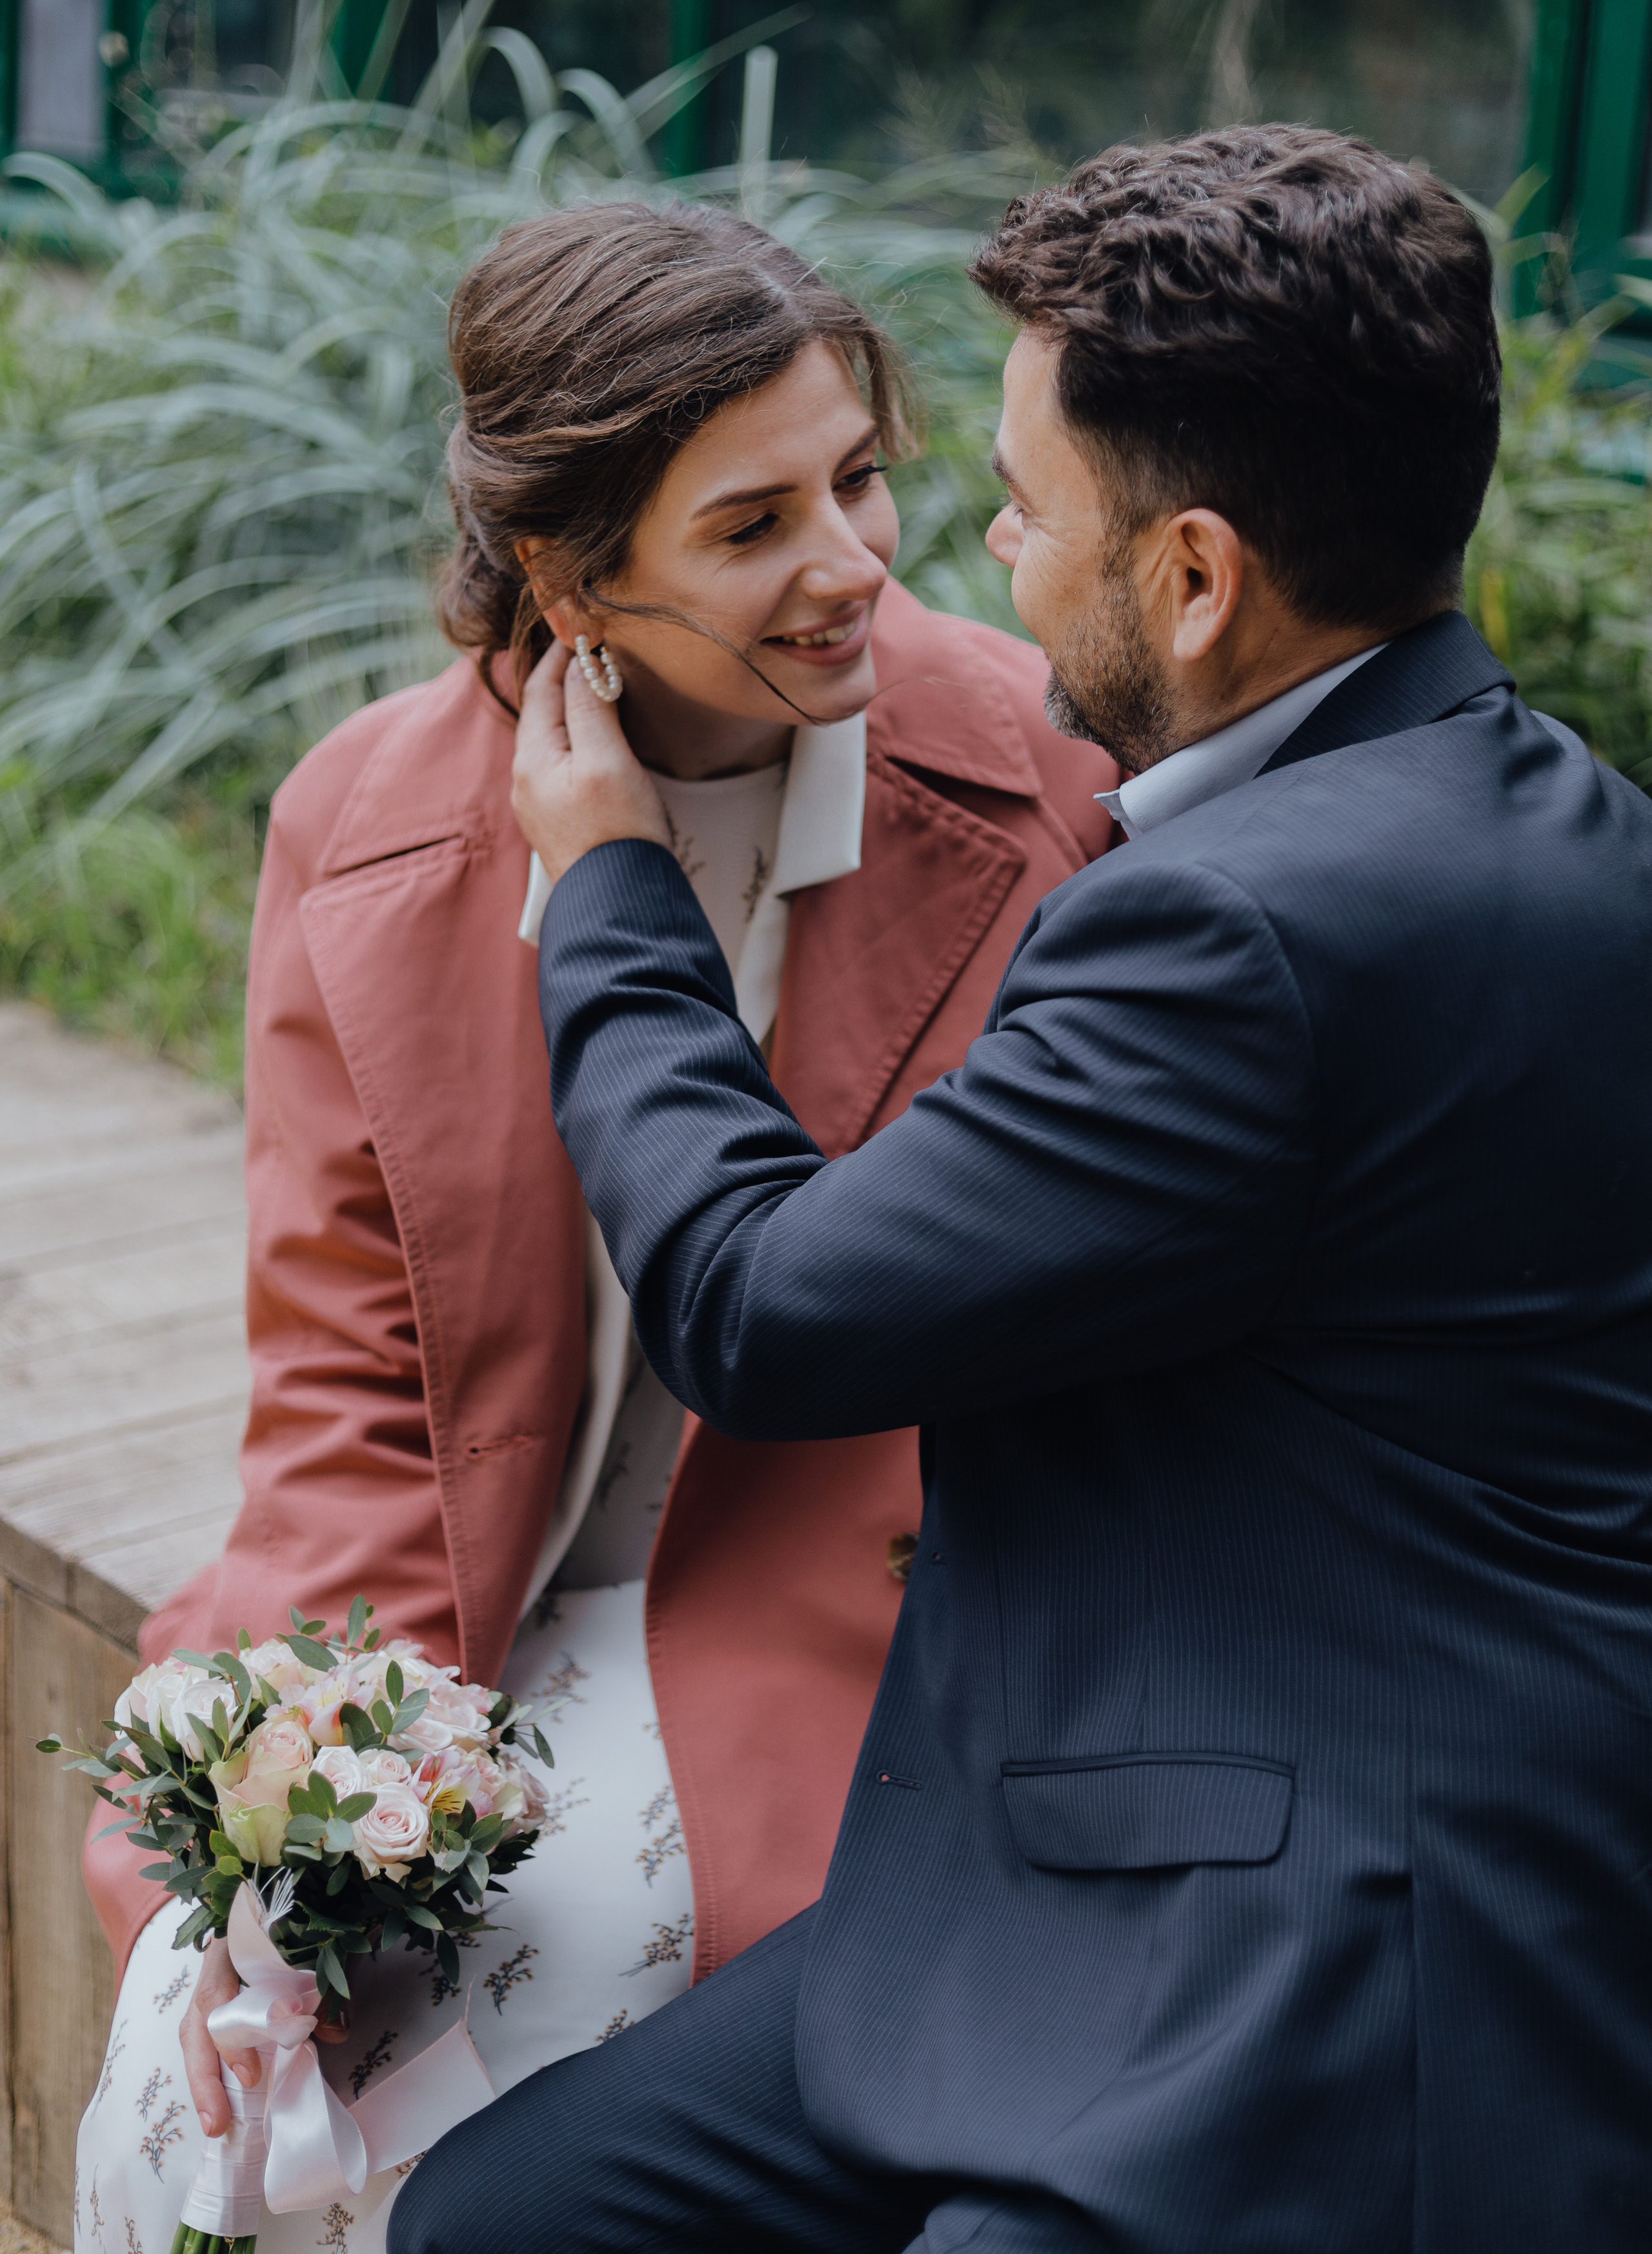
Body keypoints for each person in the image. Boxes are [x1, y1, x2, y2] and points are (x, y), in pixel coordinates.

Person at [395, 125, 1652, 2254]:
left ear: (1192, 574)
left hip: (1316, 1959)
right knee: (511, 2215)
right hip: (1132, 1827)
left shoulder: (1239, 930)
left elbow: (770, 1305)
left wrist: (608, 889)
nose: (962, 548)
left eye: (1023, 504)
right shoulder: (1568, 828)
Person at [74, 202, 1117, 2254]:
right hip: (461, 1610)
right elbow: (356, 1388)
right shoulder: (364, 827)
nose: (855, 562)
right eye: (752, 527)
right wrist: (309, 1820)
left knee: (485, 2117)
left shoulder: (1042, 785)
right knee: (210, 2100)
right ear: (571, 572)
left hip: (853, 1613)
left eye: (862, 478)